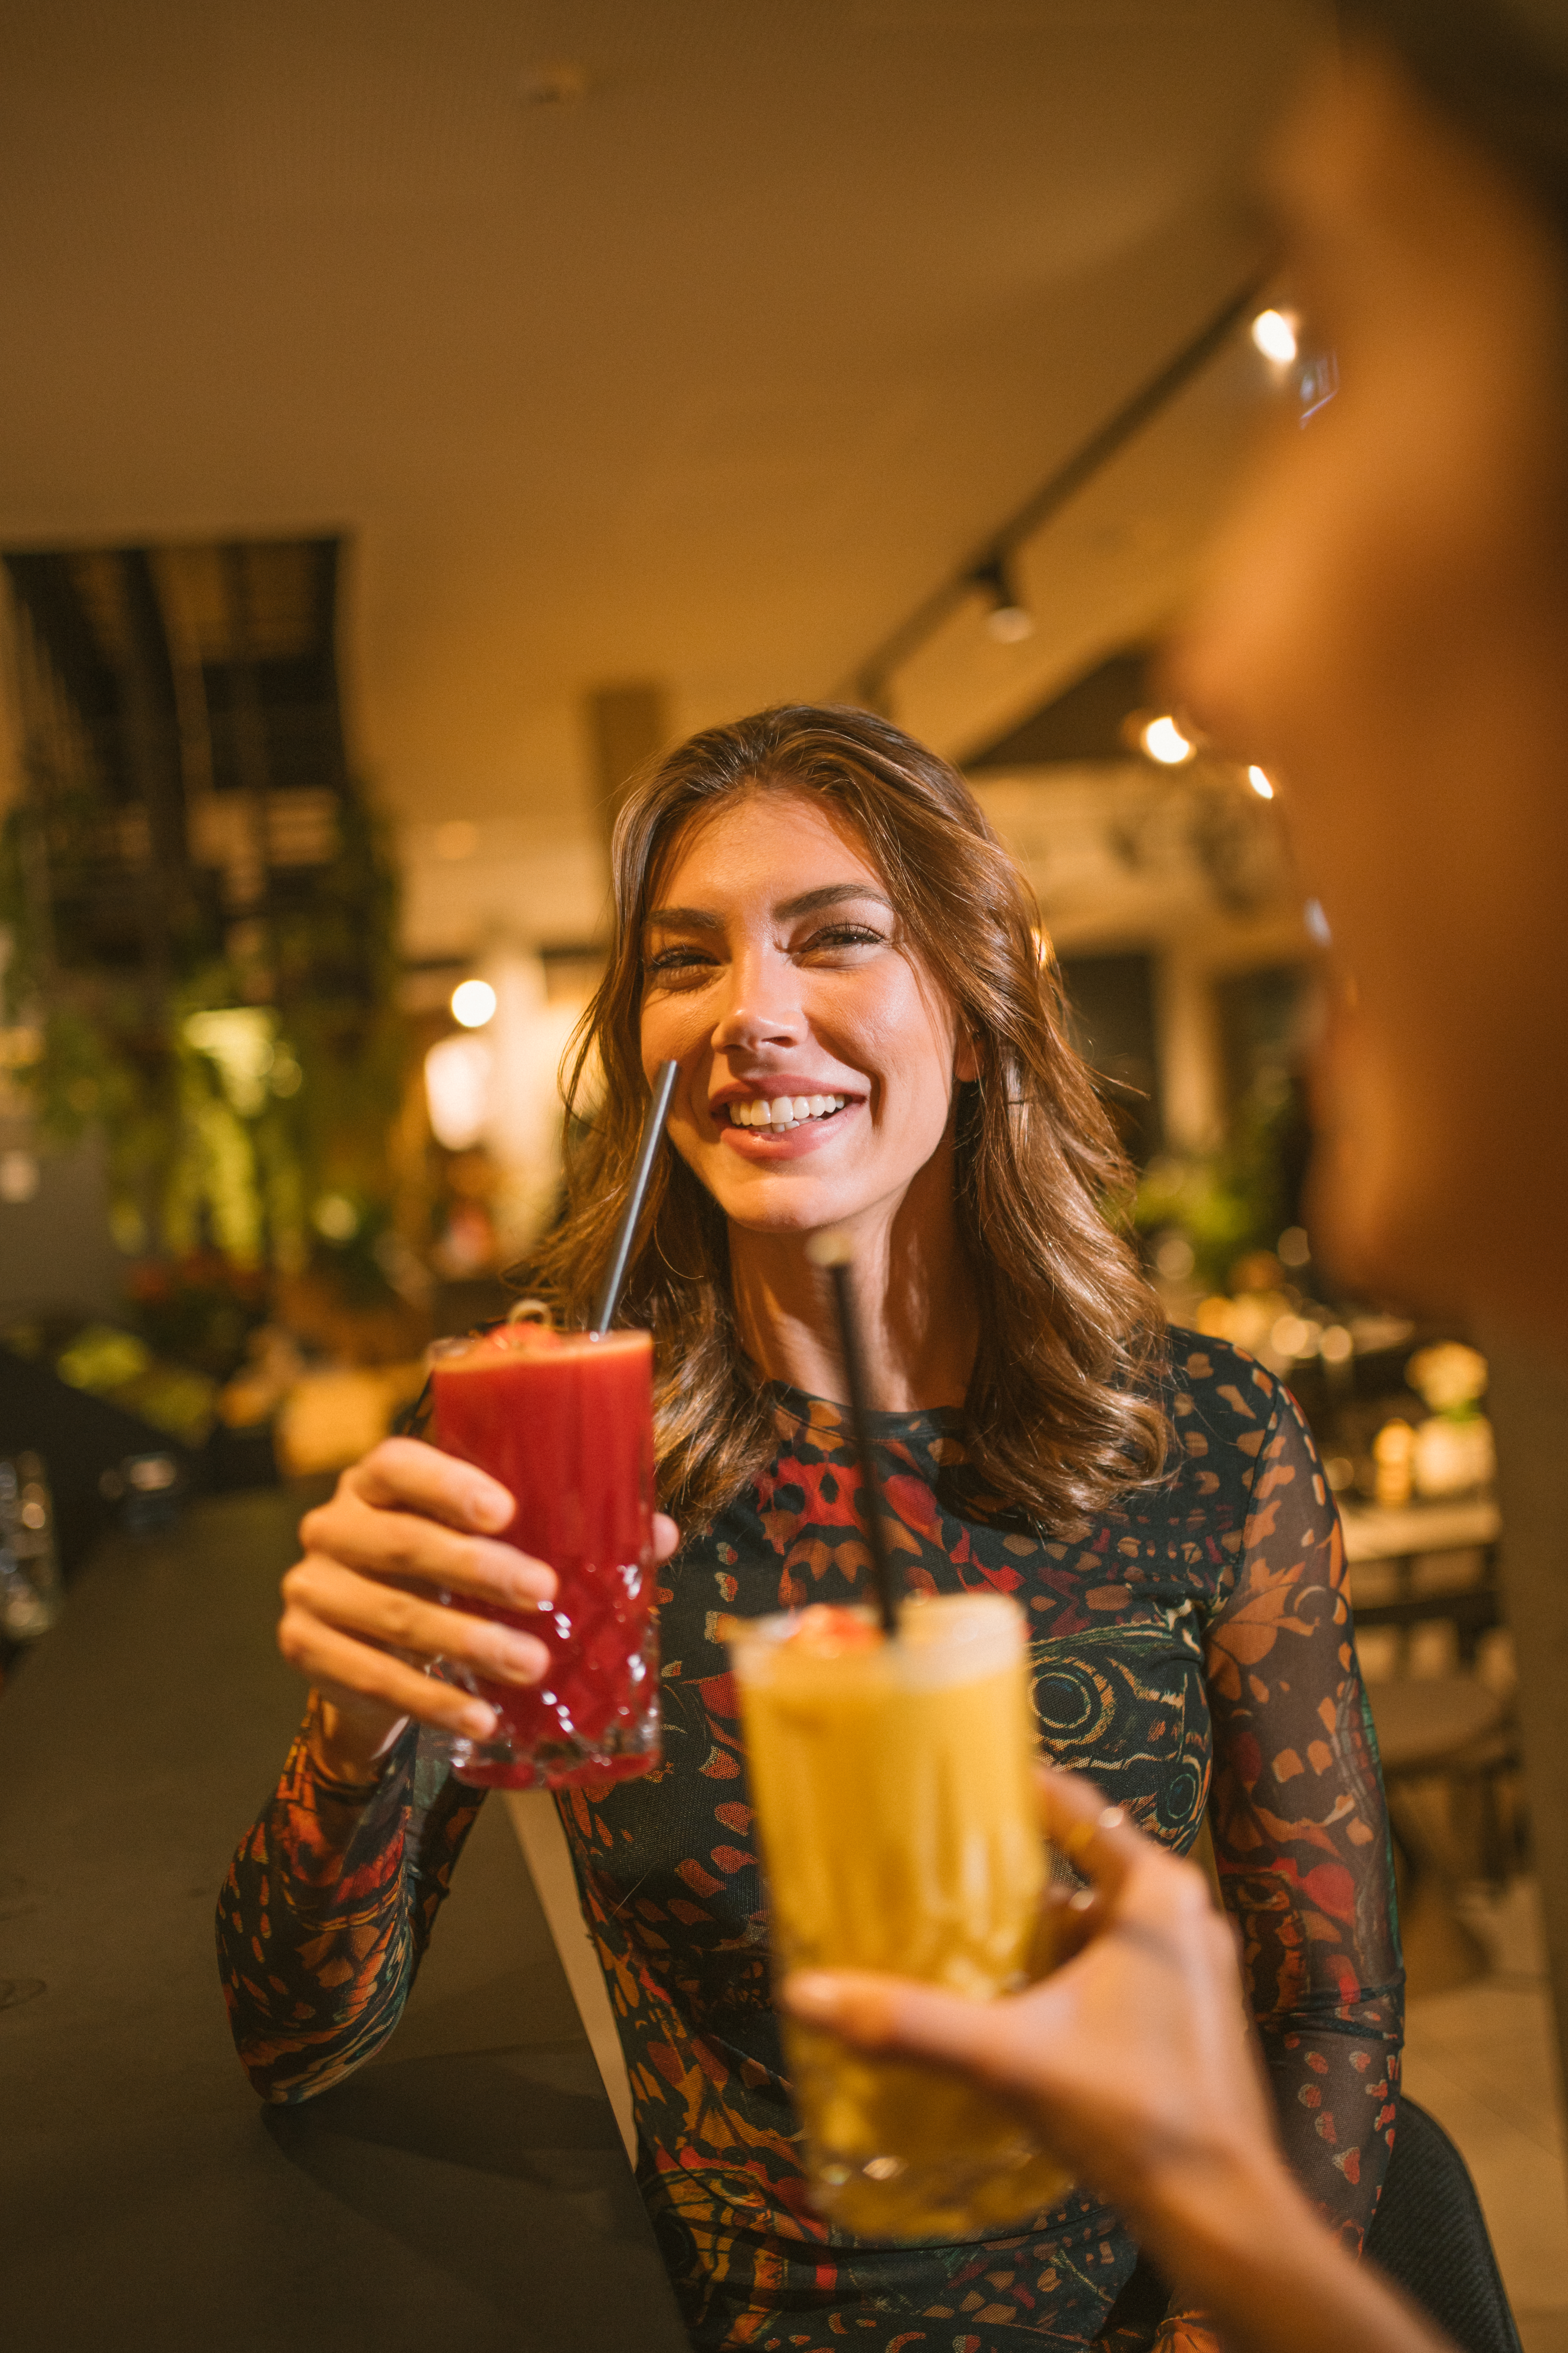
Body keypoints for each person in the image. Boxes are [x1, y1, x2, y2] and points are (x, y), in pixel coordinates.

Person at [218, 704, 1401, 2353]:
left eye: (837, 938)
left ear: (980, 1018)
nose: (749, 1017)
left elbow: (1330, 2000)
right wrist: (354, 1734)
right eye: (683, 963)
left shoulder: (1199, 1442)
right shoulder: (551, 1456)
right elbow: (298, 2040)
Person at [782, 3, 1568, 2348]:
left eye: (1356, 351)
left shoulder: (1199, 1433)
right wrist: (1225, 2215)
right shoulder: (602, 1482)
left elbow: (1344, 1999)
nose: (1219, 654)